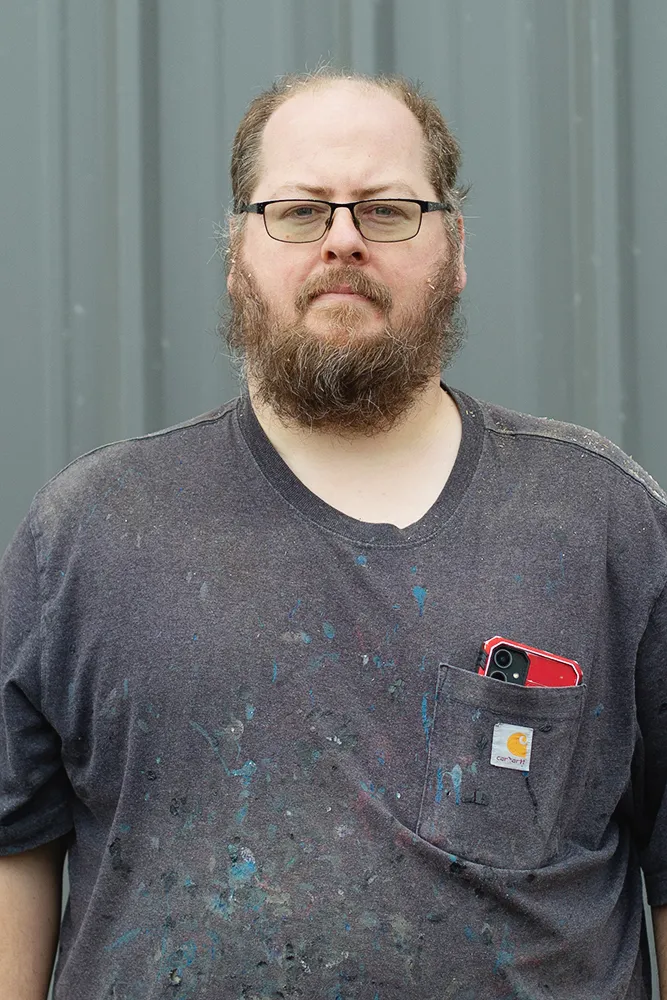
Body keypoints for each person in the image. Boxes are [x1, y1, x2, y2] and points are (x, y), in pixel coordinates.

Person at [1, 69, 666, 1000]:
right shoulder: (91, 530)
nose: (343, 240)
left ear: (456, 246)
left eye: (388, 210)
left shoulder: (601, 523)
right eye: (300, 211)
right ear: (237, 251)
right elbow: (14, 851)